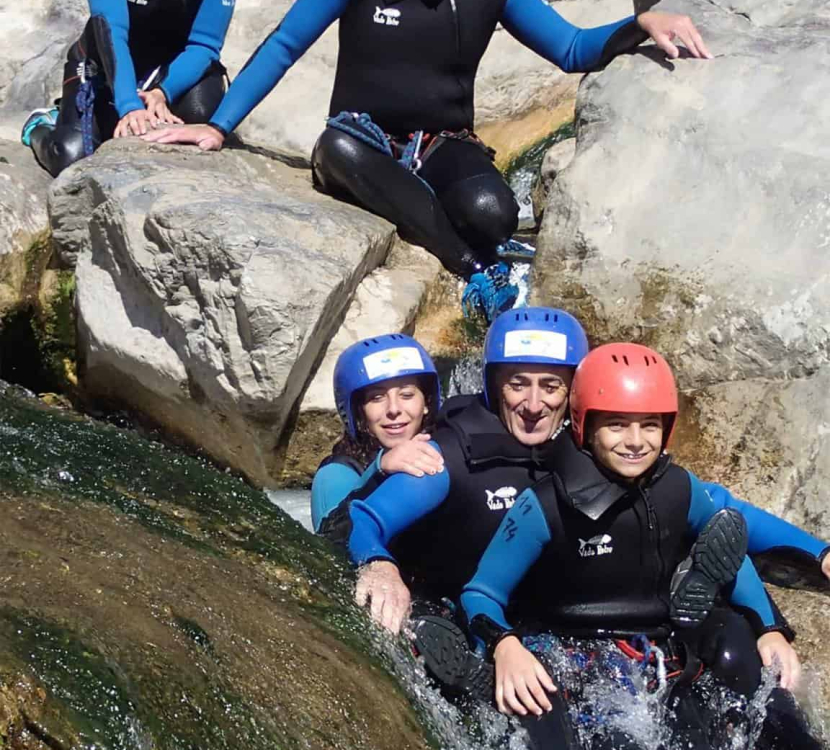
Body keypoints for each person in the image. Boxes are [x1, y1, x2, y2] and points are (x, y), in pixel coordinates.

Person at [142, 0, 711, 321]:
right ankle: (474, 270)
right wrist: (218, 126)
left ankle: (479, 242)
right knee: (338, 151)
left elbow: (569, 49)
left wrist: (639, 24)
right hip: (359, 139)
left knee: (494, 211)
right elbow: (285, 46)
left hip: (441, 140)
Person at [460, 343, 830, 748]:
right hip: (568, 646)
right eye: (617, 425)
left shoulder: (679, 489)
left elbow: (727, 550)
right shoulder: (543, 506)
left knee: (741, 675)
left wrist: (769, 629)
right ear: (584, 425)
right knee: (613, 738)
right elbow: (482, 593)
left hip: (658, 642)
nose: (635, 442)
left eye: (649, 425)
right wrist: (504, 646)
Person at [311, 332, 446, 630]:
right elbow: (330, 548)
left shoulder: (449, 448)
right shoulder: (336, 473)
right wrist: (380, 469)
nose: (394, 409)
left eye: (407, 395)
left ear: (426, 403)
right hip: (378, 606)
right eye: (376, 398)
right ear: (359, 413)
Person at [21, 0, 235, 177]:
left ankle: (109, 121)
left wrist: (163, 92)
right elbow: (111, 29)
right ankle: (42, 123)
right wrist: (129, 105)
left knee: (201, 113)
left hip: (171, 68)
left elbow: (205, 44)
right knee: (71, 156)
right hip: (102, 62)